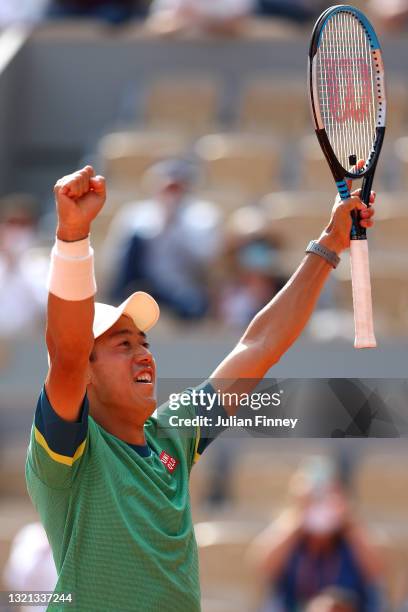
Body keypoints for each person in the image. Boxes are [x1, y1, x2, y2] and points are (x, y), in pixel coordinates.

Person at [26, 165, 375, 611]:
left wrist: (329, 243)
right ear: (86, 374)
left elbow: (259, 346)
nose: (144, 354)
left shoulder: (173, 430)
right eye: (122, 344)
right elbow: (67, 354)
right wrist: (72, 237)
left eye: (144, 343)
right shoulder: (68, 452)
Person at [250, 457, 385, 612]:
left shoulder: (352, 537)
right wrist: (299, 516)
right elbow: (262, 565)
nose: (320, 504)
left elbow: (377, 571)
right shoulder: (290, 534)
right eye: (314, 498)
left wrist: (348, 522)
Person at [104, 158, 221, 320]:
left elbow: (205, 259)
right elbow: (116, 257)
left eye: (176, 187)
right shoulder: (134, 214)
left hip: (180, 287)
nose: (171, 193)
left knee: (193, 308)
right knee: (136, 239)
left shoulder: (201, 215)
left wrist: (174, 226)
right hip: (140, 287)